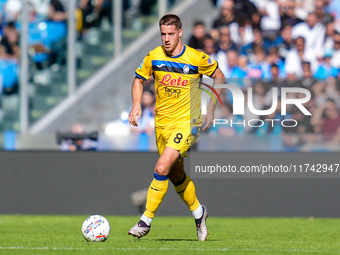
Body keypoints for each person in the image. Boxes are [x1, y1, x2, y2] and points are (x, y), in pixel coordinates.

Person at [128, 14, 225, 241]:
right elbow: (138, 79)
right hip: (161, 125)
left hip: (187, 123)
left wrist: (211, 108)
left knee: (161, 167)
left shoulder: (195, 57)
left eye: (171, 34)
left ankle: (146, 220)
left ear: (180, 33)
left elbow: (219, 76)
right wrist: (136, 105)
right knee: (175, 175)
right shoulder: (154, 56)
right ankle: (199, 213)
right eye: (163, 34)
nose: (166, 39)